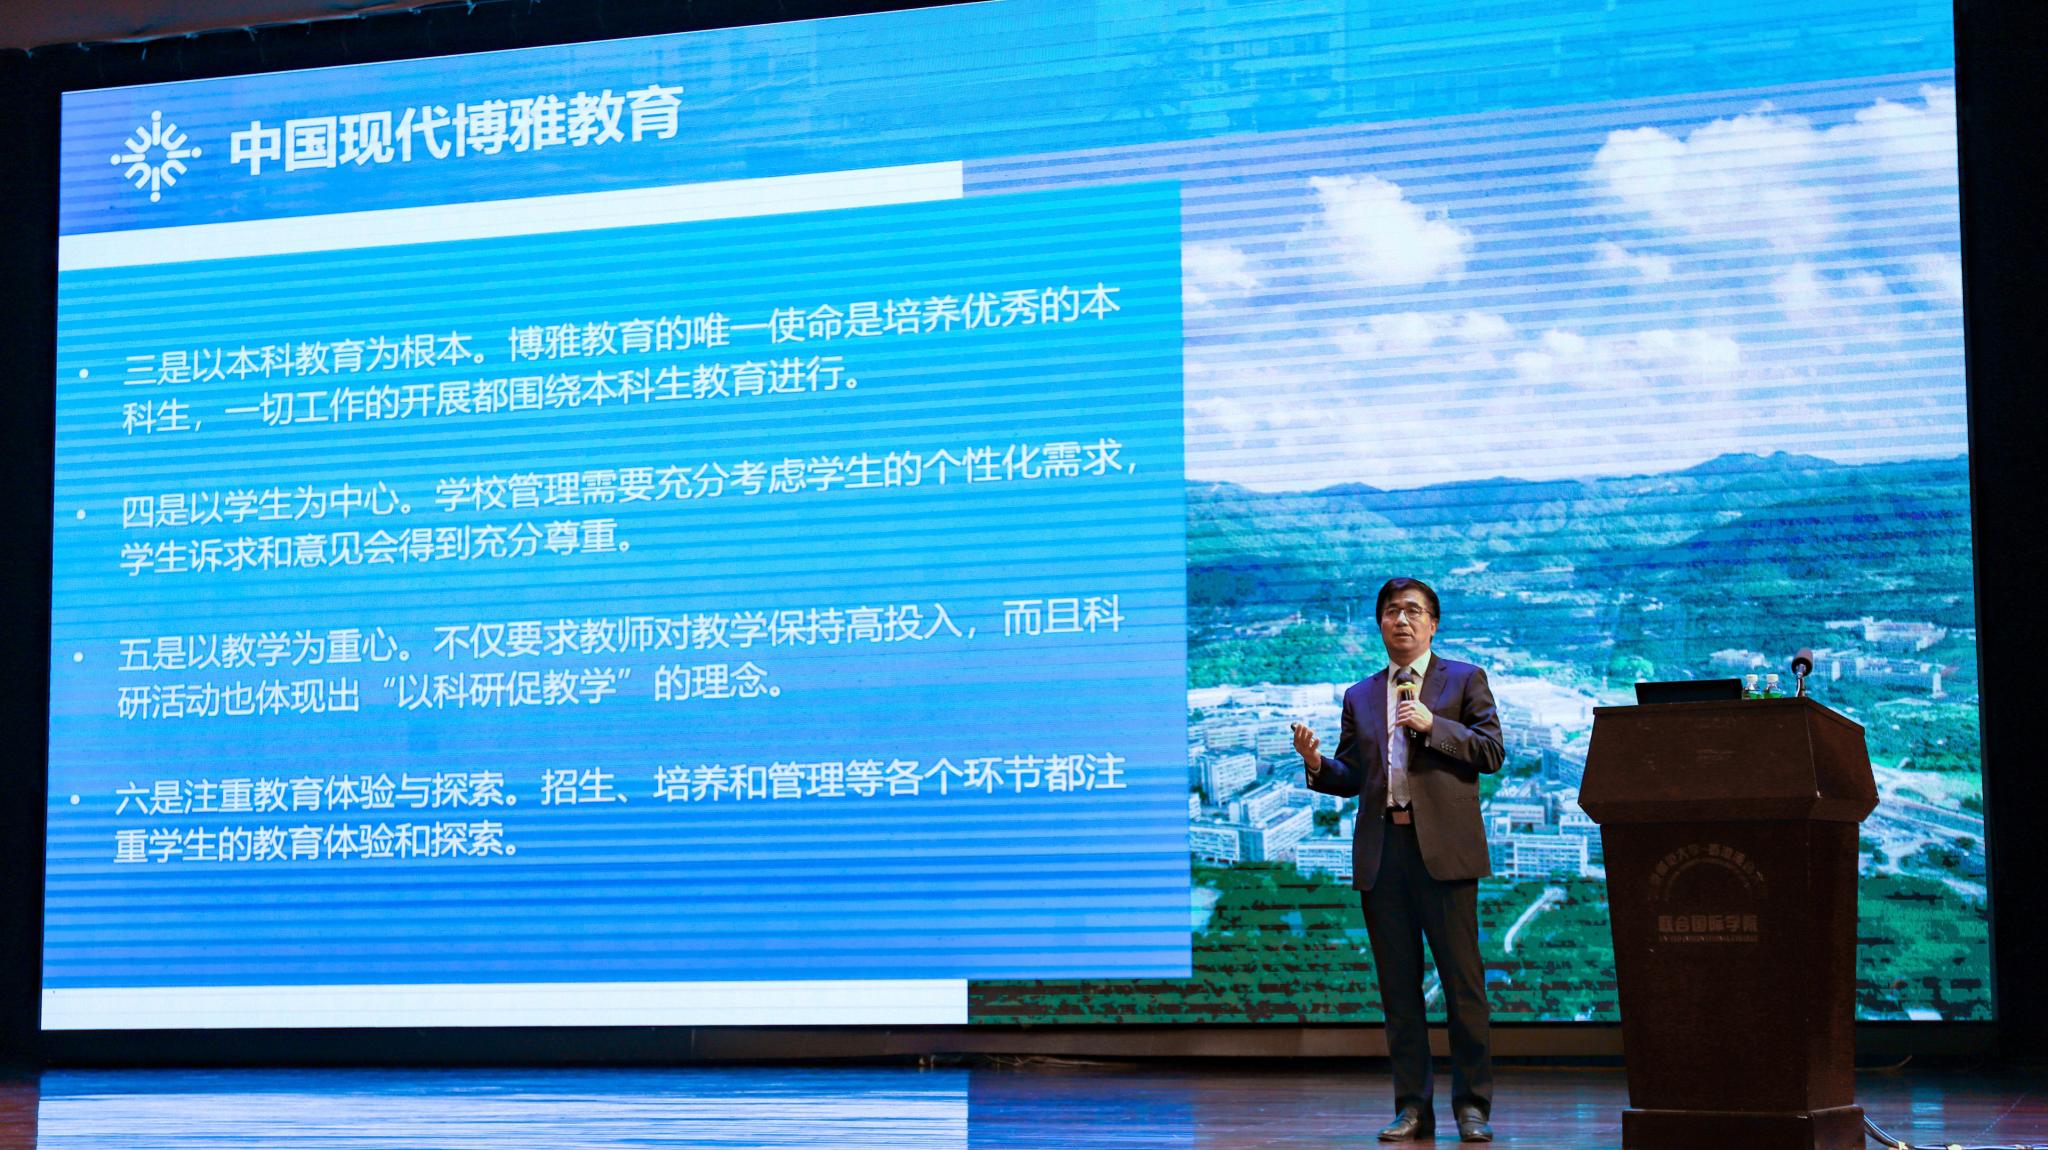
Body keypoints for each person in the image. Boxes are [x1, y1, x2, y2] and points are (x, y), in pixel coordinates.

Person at [1292, 577, 1504, 1142]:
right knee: (1399, 993)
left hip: (1445, 855)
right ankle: (1412, 1106)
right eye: (1390, 611)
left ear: (1433, 623)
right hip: (1384, 854)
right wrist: (1316, 765)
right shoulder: (1360, 695)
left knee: (1464, 988)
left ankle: (1473, 1106)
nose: (1401, 620)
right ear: (1380, 624)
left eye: (1412, 611)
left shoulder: (1465, 679)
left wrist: (1435, 726)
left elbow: (1491, 751)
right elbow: (1351, 776)